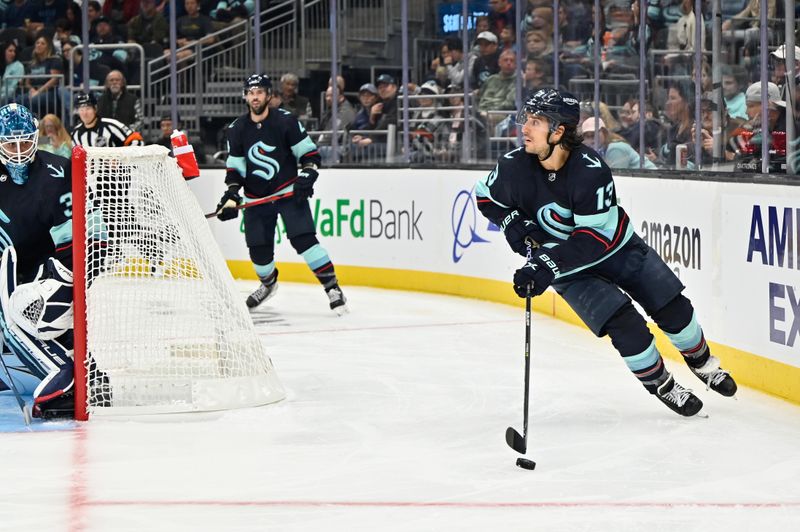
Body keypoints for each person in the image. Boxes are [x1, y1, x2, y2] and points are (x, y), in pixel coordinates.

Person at [475, 88, 737, 417]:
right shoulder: (513, 166)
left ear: (558, 131)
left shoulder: (590, 169)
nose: (524, 128)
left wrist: (544, 265)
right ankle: (662, 384)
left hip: (618, 249)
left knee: (674, 310)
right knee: (625, 326)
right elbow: (486, 197)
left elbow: (592, 239)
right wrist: (512, 222)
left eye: (536, 121)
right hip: (570, 270)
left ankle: (702, 362)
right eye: (525, 119)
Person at [216, 73, 347, 314]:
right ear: (245, 96)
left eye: (260, 92)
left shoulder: (286, 121)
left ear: (269, 95)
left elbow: (309, 155)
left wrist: (307, 175)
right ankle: (268, 284)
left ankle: (332, 288)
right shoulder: (236, 129)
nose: (255, 97)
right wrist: (232, 194)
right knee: (258, 250)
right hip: (256, 199)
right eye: (251, 93)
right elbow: (235, 169)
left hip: (288, 193)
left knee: (304, 240)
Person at [0, 103, 76, 419]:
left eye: (23, 142)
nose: (18, 151)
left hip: (48, 270)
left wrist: (63, 281)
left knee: (14, 315)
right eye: (9, 143)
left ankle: (65, 372)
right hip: (9, 262)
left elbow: (70, 245)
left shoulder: (58, 171)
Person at [70, 91, 144, 147]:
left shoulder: (112, 125)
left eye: (88, 108)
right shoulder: (75, 134)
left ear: (95, 109)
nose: (85, 113)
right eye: (81, 110)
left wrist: (122, 161)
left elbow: (137, 140)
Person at [580, 116, 657, 169]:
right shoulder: (599, 152)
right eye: (587, 136)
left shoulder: (615, 148)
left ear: (605, 133)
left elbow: (615, 178)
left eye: (594, 135)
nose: (592, 140)